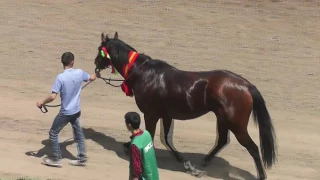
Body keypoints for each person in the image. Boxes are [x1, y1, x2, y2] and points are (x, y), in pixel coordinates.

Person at [36, 52, 98, 167]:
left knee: (53, 133)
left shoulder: (61, 77)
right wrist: (97, 72)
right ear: (72, 62)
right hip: (76, 111)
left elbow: (52, 96)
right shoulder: (79, 73)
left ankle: (56, 158)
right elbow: (92, 78)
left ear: (62, 62)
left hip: (65, 113)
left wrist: (42, 102)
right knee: (78, 134)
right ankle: (82, 158)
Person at [124, 112, 159, 180]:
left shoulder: (135, 146)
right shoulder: (147, 134)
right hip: (154, 176)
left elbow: (136, 172)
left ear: (129, 125)